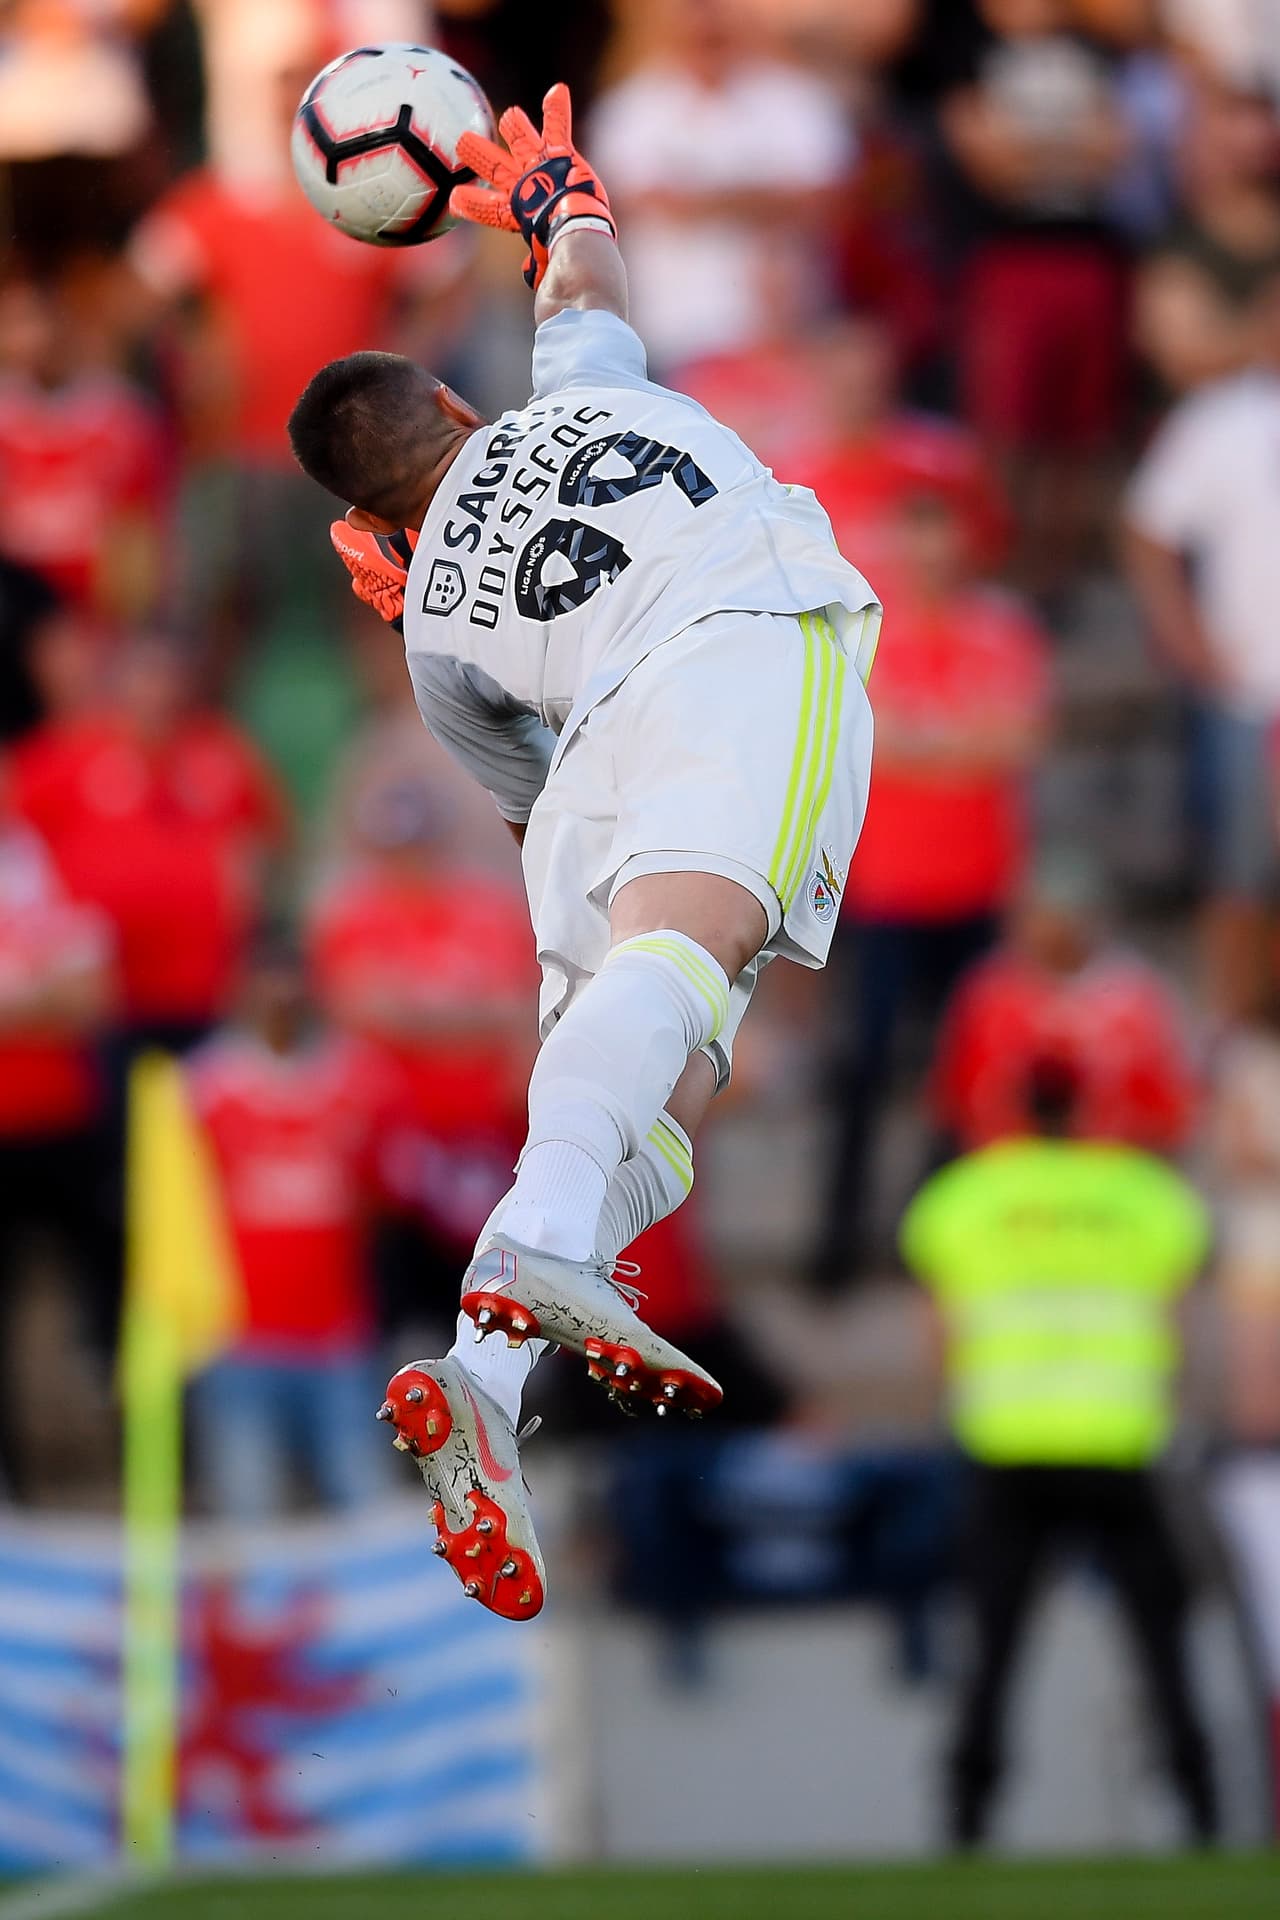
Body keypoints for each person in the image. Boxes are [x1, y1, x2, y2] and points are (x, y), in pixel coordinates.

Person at [285, 85, 880, 1618]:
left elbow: (531, 815)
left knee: (654, 1083)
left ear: (368, 514)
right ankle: (547, 1258)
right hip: (740, 645)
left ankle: (487, 1373)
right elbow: (588, 293)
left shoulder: (425, 641)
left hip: (588, 756)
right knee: (693, 959)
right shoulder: (577, 402)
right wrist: (567, 204)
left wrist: (435, 593)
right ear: (463, 412)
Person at [900, 1055, 1218, 1849]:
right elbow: (1179, 1326)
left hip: (1007, 1447)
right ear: (1091, 1106)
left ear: (1010, 1107)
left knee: (995, 1651)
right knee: (1162, 1645)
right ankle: (1203, 1813)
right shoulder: (1147, 1196)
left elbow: (939, 1337)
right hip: (1120, 1445)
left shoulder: (964, 1198)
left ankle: (967, 1822)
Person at [809, 478, 1050, 1280]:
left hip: (978, 887)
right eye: (918, 534)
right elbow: (858, 740)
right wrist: (960, 742)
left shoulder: (1005, 630)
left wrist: (920, 740)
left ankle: (932, 1232)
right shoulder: (865, 629)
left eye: (945, 533)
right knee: (865, 1064)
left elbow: (1017, 741)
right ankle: (837, 1239)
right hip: (887, 891)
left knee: (967, 1074)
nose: (932, 552)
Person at [186, 937, 391, 1520]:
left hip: (337, 1335)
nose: (281, 1001)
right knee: (248, 1509)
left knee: (362, 1499)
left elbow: (381, 1196)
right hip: (235, 1337)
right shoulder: (201, 1090)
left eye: (292, 986)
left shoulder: (360, 1082)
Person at [1124, 268, 1280, 1020]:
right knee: (1241, 878)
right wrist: (1185, 639)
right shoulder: (1219, 420)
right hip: (1250, 687)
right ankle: (1233, 1032)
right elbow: (1150, 532)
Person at [931, 854, 1198, 1154]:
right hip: (1005, 1174)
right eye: (1042, 914)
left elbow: (1167, 1116)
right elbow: (956, 1108)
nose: (1053, 929)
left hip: (1111, 1176)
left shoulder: (1138, 1004)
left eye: (1064, 916)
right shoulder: (987, 996)